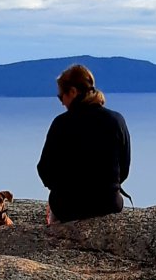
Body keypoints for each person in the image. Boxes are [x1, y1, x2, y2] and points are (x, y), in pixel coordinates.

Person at [37, 64, 131, 224]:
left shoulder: (61, 124)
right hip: (108, 204)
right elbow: (124, 168)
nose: (61, 103)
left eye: (61, 97)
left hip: (68, 207)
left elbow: (45, 169)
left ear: (72, 92)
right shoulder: (116, 120)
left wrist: (62, 188)